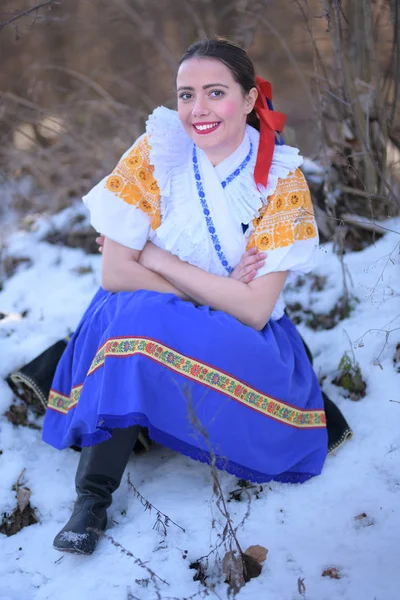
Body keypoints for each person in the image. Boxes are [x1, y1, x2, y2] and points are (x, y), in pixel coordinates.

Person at [40, 37, 342, 556]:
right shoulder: (154, 152)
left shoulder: (281, 179)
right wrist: (217, 291)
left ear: (249, 100)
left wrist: (155, 258)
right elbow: (114, 273)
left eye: (215, 92)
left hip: (248, 337)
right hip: (145, 312)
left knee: (145, 312)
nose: (197, 110)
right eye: (185, 95)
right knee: (136, 316)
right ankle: (92, 499)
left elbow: (253, 310)